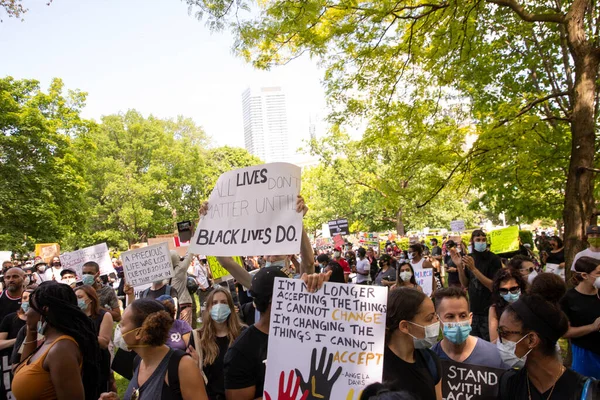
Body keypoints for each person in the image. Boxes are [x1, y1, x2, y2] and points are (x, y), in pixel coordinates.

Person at [224, 266, 329, 400]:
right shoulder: (241, 352)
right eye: (292, 292)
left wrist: (324, 291)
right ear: (273, 302)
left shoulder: (307, 333)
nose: (298, 298)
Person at [102, 298, 208, 400]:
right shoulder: (138, 361)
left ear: (138, 332)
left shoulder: (182, 366)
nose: (118, 330)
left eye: (122, 325)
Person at [497, 294, 599, 399]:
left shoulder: (586, 392)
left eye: (504, 333)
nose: (498, 340)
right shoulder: (509, 383)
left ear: (531, 339)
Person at [12, 281, 100, 400]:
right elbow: (21, 368)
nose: (26, 313)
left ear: (45, 310)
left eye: (31, 307)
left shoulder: (61, 349)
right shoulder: (46, 340)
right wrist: (31, 332)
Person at [383, 288, 442, 400]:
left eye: (435, 316)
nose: (436, 322)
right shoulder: (375, 367)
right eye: (429, 318)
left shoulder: (430, 360)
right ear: (405, 326)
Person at [188, 287, 244, 400]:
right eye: (214, 303)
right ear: (208, 308)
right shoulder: (197, 337)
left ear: (231, 307)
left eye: (223, 302)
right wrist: (192, 366)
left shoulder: (243, 334)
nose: (219, 306)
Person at [432, 287, 507, 368]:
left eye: (462, 316)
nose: (458, 322)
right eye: (450, 316)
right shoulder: (430, 360)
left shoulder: (494, 356)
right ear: (437, 319)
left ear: (470, 318)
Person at [451, 230, 503, 341]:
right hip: (473, 311)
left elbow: (493, 286)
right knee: (474, 343)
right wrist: (459, 266)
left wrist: (474, 269)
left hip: (488, 311)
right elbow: (465, 283)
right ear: (472, 241)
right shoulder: (469, 258)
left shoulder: (494, 259)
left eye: (483, 240)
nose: (481, 242)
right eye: (478, 240)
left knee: (490, 344)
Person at [560, 256, 600, 378]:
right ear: (584, 275)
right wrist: (592, 327)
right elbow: (564, 332)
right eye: (598, 273)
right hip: (585, 354)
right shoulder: (568, 299)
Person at [75, 285, 113, 394]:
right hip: (81, 361)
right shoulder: (76, 317)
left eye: (80, 296)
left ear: (91, 298)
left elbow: (103, 342)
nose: (77, 300)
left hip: (98, 361)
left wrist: (82, 333)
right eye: (75, 297)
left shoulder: (104, 315)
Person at [0, 288, 31, 398]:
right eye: (24, 298)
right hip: (8, 363)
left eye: (30, 298)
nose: (26, 301)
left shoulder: (40, 321)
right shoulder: (10, 318)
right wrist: (19, 340)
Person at [488, 268, 527, 343]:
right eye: (504, 290)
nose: (509, 293)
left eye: (514, 289)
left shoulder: (529, 305)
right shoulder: (494, 309)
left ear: (520, 287)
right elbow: (493, 341)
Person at [168, 251, 195, 326]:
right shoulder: (180, 270)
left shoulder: (165, 275)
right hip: (184, 304)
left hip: (173, 307)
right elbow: (189, 256)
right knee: (186, 330)